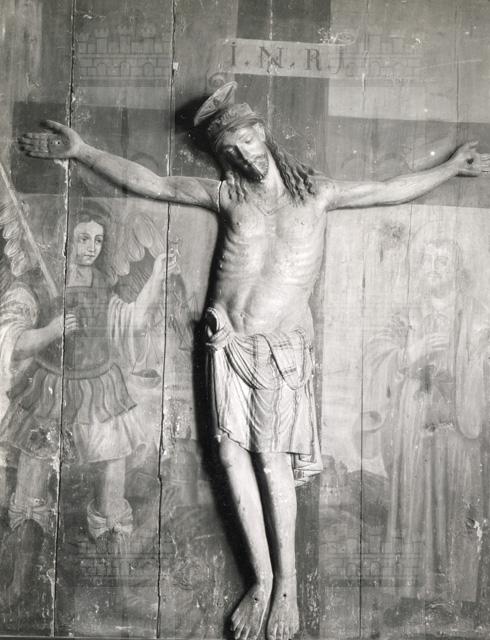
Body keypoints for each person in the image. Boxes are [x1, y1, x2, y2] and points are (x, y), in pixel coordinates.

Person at [18, 82, 490, 640]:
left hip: (277, 351)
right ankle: (261, 580)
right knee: (229, 456)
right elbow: (156, 183)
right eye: (231, 151)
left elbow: (388, 190)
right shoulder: (229, 197)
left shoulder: (316, 194)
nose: (243, 156)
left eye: (246, 141)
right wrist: (82, 151)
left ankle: (286, 583)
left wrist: (449, 168)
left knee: (271, 463)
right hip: (226, 346)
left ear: (260, 132)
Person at [0, 207, 166, 608]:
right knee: (31, 492)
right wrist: (50, 330)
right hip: (47, 391)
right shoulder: (38, 283)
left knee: (112, 492)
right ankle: (19, 586)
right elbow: (11, 340)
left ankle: (119, 591)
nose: (91, 248)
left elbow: (132, 323)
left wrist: (158, 275)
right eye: (82, 238)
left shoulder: (104, 286)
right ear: (65, 237)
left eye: (98, 240)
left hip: (100, 391)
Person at [365, 238, 489, 626]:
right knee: (411, 507)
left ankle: (456, 598)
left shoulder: (477, 314)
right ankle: (408, 594)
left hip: (460, 430)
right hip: (414, 428)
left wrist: (477, 358)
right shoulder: (406, 315)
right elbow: (375, 356)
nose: (434, 267)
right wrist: (409, 353)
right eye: (428, 260)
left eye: (443, 260)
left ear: (458, 269)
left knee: (458, 507)